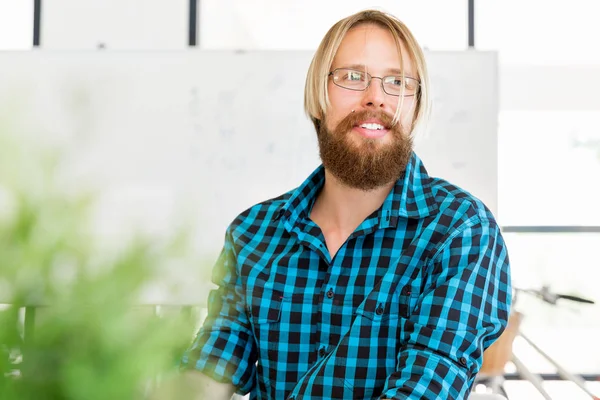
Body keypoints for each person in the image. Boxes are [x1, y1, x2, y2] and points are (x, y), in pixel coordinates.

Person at [179, 9, 511, 400]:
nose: (376, 98)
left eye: (398, 82)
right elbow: (209, 371)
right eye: (353, 77)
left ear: (416, 107)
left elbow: (426, 388)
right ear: (318, 97)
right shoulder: (253, 233)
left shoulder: (459, 229)